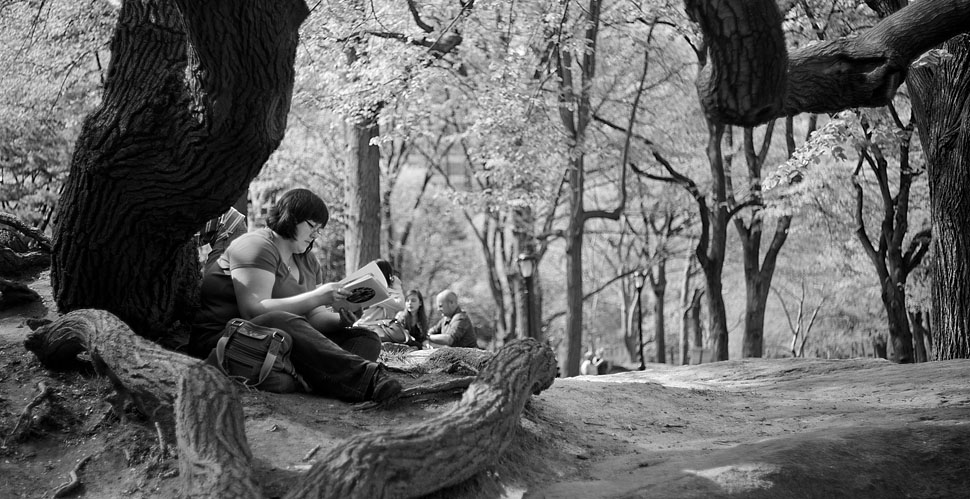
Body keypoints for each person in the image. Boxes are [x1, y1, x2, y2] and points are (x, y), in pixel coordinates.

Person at [189, 188, 401, 403]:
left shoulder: (309, 261)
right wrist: (319, 296)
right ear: (290, 217)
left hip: (282, 342)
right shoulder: (255, 245)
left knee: (366, 339)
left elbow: (315, 317)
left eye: (320, 230)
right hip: (230, 339)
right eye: (311, 226)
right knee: (279, 319)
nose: (315, 235)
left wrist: (341, 319)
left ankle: (304, 378)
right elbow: (253, 310)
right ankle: (366, 379)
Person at [353, 260, 408, 343]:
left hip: (375, 328)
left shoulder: (382, 289)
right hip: (367, 327)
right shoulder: (374, 290)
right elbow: (400, 305)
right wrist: (398, 287)